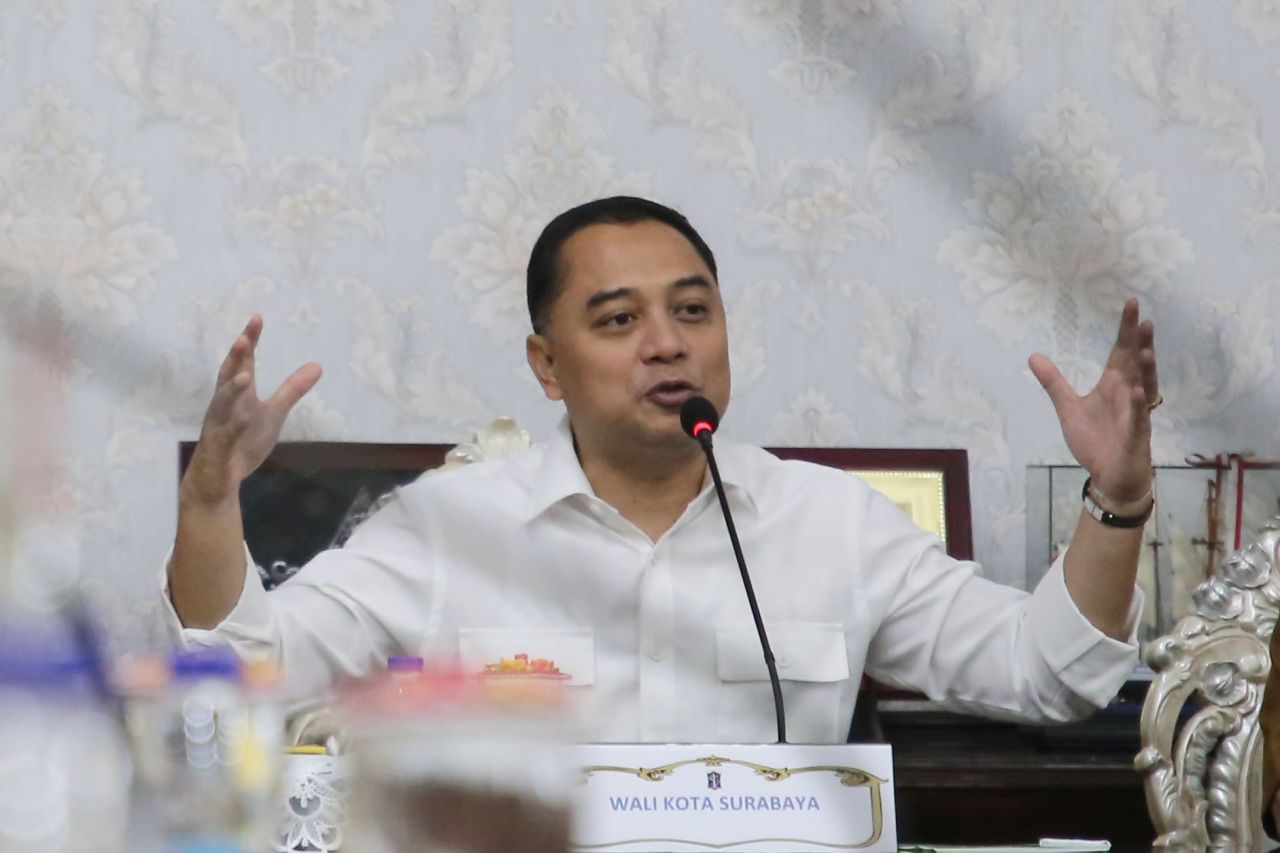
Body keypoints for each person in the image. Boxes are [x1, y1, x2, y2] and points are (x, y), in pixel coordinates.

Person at [164, 195, 1160, 742]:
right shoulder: (446, 527)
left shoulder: (830, 522)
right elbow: (243, 677)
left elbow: (1046, 673)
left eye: (691, 311)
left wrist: (1116, 501)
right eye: (617, 320)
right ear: (546, 365)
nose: (667, 343)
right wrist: (210, 501)